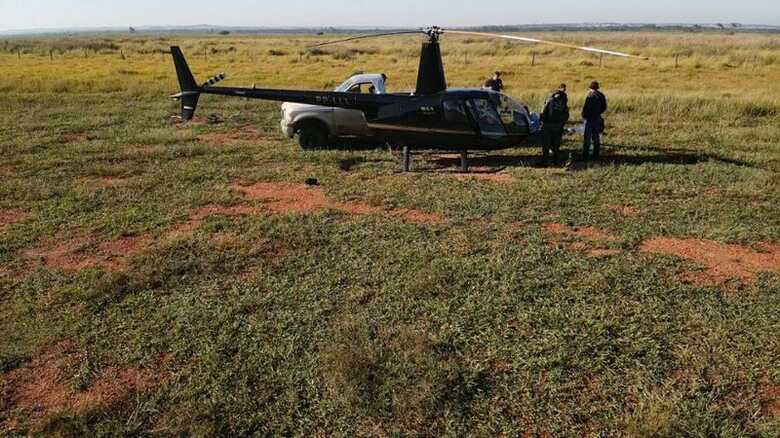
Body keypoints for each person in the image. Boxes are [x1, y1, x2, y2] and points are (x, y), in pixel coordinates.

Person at [540, 84, 569, 164]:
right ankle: (555, 161)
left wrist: (542, 120)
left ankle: (545, 161)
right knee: (556, 144)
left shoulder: (550, 100)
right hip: (558, 125)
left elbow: (543, 111)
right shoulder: (563, 102)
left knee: (546, 143)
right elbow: (566, 115)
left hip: (548, 124)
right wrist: (562, 123)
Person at [581, 81, 607, 161]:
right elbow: (604, 107)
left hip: (589, 119)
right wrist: (598, 113)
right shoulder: (601, 95)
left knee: (587, 137)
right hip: (597, 118)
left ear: (591, 88)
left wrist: (584, 115)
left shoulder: (590, 95)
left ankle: (585, 155)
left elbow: (586, 107)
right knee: (596, 137)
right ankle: (596, 155)